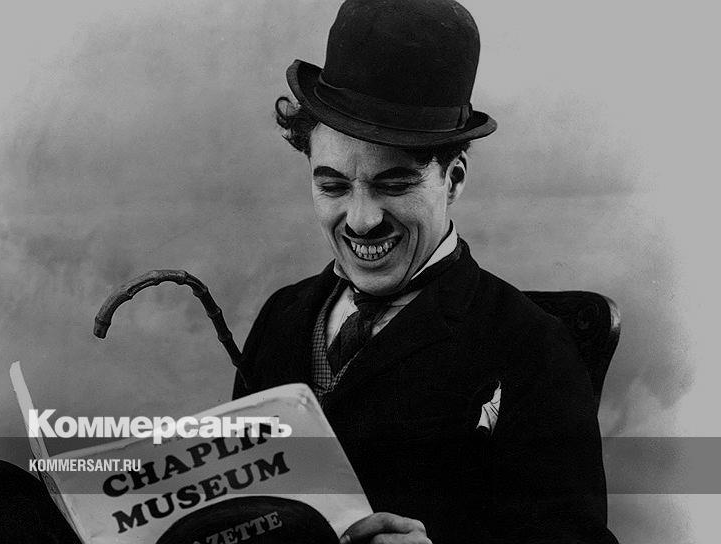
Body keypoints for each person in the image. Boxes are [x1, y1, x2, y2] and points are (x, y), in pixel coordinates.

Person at [231, 1, 618, 543]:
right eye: (333, 185)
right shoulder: (281, 317)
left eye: (394, 185)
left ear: (453, 179)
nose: (361, 220)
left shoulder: (534, 348)